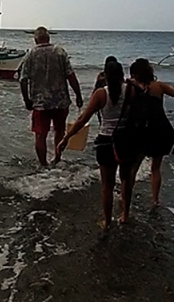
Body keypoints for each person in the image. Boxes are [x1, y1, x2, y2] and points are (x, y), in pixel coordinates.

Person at [115, 58, 174, 220]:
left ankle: (126, 202)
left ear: (134, 74)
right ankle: (155, 200)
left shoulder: (130, 87)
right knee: (156, 168)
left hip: (139, 132)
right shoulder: (159, 86)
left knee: (133, 169)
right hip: (158, 130)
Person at [56, 56, 127, 229]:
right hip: (126, 140)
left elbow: (82, 119)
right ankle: (125, 215)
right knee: (126, 180)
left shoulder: (101, 93)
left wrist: (66, 138)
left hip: (106, 142)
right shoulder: (131, 91)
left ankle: (107, 221)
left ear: (106, 75)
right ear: (122, 74)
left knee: (107, 186)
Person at [19, 26, 83, 167]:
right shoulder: (60, 52)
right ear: (48, 38)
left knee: (40, 134)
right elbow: (71, 76)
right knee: (59, 131)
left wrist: (27, 100)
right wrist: (78, 95)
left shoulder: (30, 55)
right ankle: (57, 159)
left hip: (40, 103)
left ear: (36, 40)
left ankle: (43, 165)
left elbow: (23, 80)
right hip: (60, 101)